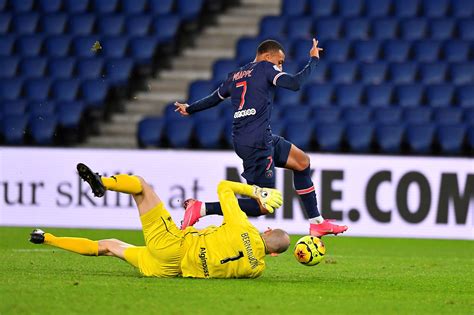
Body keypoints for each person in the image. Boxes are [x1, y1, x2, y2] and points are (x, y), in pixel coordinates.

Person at [174, 38, 348, 237]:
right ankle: (202, 208)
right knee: (264, 205)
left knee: (302, 162)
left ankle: (317, 223)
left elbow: (215, 98)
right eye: (280, 62)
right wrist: (313, 60)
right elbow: (294, 83)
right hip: (256, 143)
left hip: (255, 138)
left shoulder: (236, 74)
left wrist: (190, 108)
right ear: (267, 56)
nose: (280, 66)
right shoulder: (266, 67)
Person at [29, 163, 290, 279]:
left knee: (140, 186)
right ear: (274, 256)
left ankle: (103, 183)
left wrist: (256, 191)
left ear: (266, 231)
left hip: (173, 245)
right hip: (168, 271)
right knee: (108, 246)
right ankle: (46, 238)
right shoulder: (257, 270)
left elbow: (224, 187)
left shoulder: (241, 225)